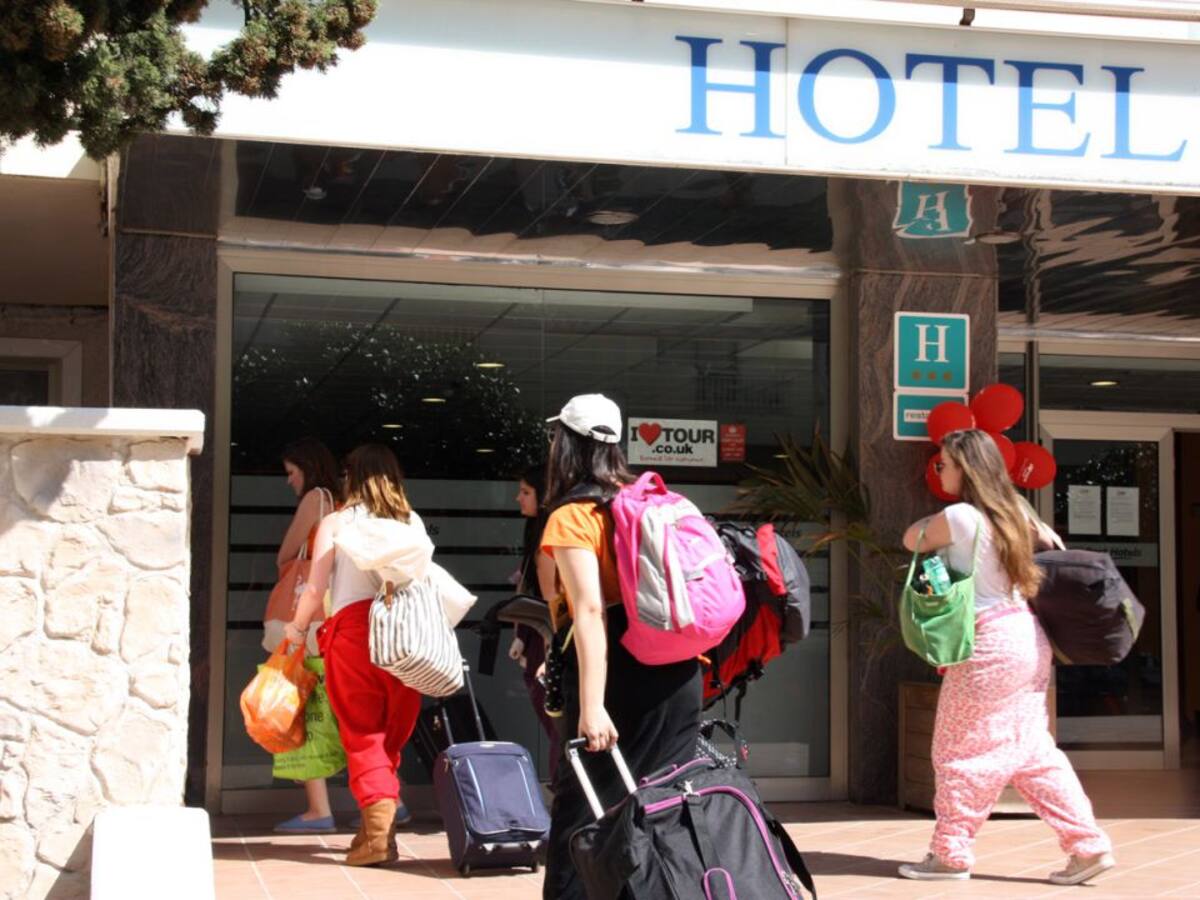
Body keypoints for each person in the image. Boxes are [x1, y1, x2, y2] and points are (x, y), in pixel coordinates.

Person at [897, 429, 1115, 886]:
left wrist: (939, 524)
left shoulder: (960, 516)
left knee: (958, 751)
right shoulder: (1019, 514)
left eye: (943, 463)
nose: (939, 470)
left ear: (966, 468)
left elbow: (910, 538)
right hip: (1028, 639)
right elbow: (1051, 548)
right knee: (1034, 752)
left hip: (987, 645)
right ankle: (1088, 845)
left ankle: (950, 854)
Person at [538, 394, 701, 900]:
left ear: (567, 445)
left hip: (619, 679)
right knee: (662, 813)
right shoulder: (655, 503)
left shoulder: (574, 515)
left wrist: (591, 706)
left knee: (582, 817)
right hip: (678, 674)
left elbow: (589, 610)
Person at [286, 444, 424, 866]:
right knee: (389, 739)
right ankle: (373, 832)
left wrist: (296, 628)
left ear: (352, 477)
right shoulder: (411, 520)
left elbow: (315, 588)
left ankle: (378, 838)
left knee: (364, 735)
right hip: (406, 636)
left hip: (354, 635)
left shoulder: (337, 521)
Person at [270, 437, 339, 835]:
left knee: (307, 706)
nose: (289, 481)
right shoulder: (347, 503)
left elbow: (287, 553)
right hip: (340, 618)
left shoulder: (316, 499)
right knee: (344, 710)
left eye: (292, 472)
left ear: (308, 470)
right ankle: (391, 801)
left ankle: (318, 808)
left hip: (311, 621)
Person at [510, 464, 560, 771]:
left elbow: (552, 603)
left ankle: (561, 787)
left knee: (558, 730)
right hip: (539, 638)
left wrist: (551, 653)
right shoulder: (536, 535)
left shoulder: (549, 540)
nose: (519, 498)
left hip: (549, 641)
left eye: (526, 492)